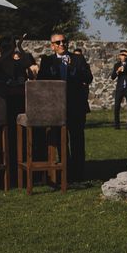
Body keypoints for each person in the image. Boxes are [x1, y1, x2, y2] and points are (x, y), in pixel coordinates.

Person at [38, 33, 93, 182]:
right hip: (57, 107)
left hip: (76, 106)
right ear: (52, 46)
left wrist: (73, 68)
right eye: (58, 42)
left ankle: (79, 172)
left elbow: (88, 77)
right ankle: (65, 172)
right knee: (61, 141)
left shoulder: (78, 59)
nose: (61, 44)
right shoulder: (47, 61)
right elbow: (41, 81)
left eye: (64, 41)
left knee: (77, 139)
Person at [110, 50, 127, 129]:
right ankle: (117, 125)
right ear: (119, 56)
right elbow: (113, 77)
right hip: (120, 88)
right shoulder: (117, 65)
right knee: (117, 107)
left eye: (124, 55)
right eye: (121, 55)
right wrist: (117, 71)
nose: (122, 56)